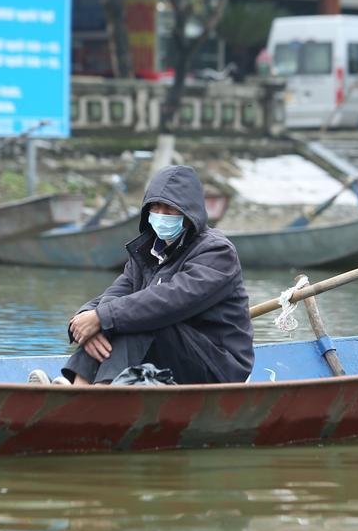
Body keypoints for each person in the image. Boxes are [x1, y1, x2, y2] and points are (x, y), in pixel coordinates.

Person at [40, 165, 254, 386]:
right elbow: (116, 294)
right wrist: (87, 318)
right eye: (156, 208)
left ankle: (97, 396)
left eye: (170, 210)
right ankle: (78, 387)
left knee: (138, 319)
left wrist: (104, 318)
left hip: (218, 365)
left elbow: (169, 301)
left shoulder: (216, 252)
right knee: (113, 319)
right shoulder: (148, 252)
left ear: (189, 213)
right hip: (171, 350)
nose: (161, 216)